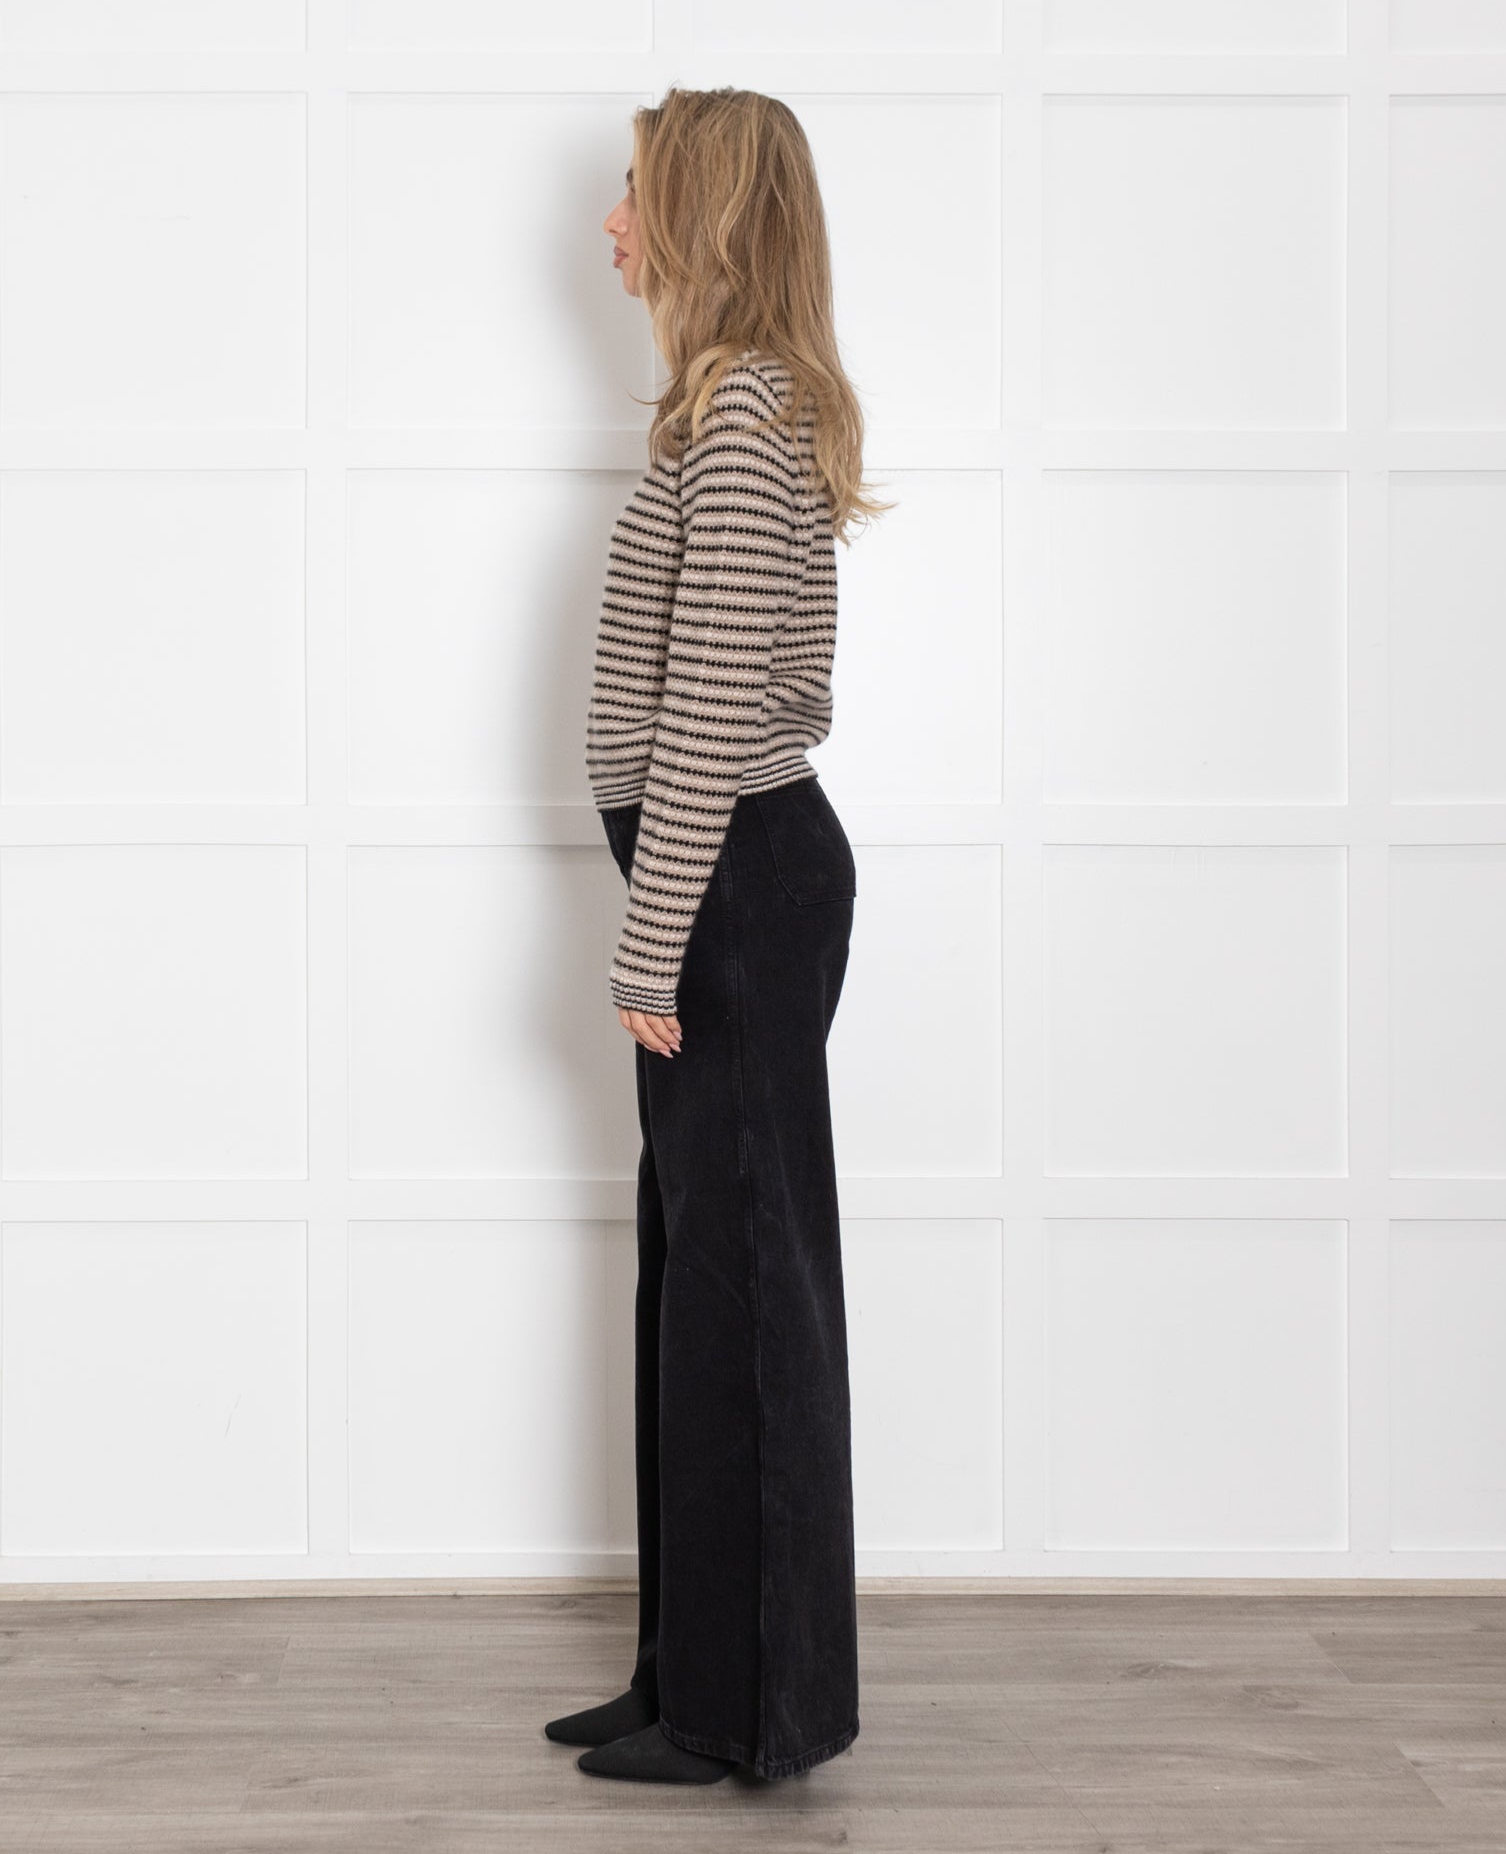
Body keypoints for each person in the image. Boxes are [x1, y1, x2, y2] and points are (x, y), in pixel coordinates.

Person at [543, 86, 892, 1785]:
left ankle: (747, 1712)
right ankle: (689, 1669)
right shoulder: (721, 414)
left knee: (744, 1295)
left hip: (733, 884)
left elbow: (706, 713)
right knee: (699, 1284)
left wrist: (649, 941)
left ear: (702, 212)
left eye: (635, 192)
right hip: (717, 880)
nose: (612, 222)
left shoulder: (746, 417)